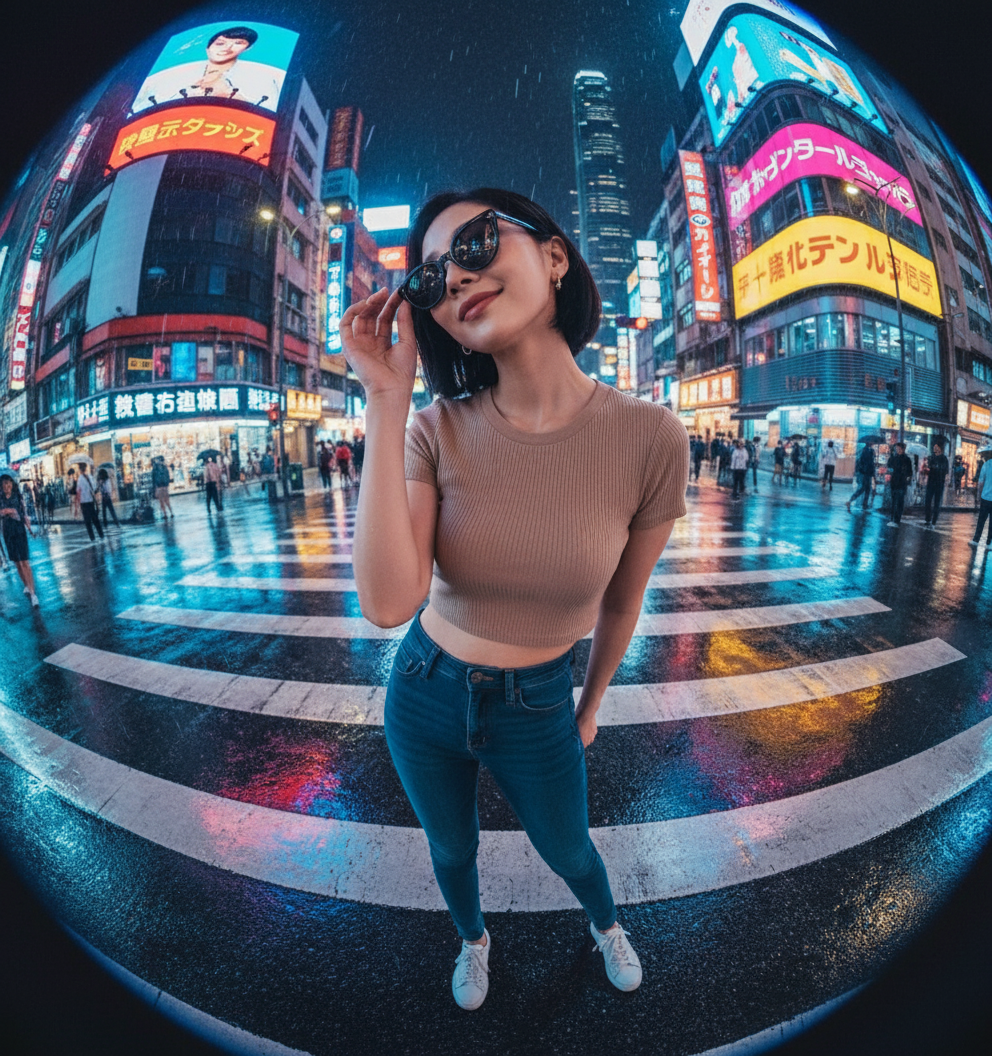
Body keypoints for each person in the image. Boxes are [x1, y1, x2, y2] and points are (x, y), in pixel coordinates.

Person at [341, 188, 688, 1010]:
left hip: (539, 701)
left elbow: (621, 605)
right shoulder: (433, 430)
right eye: (431, 280)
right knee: (450, 848)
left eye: (478, 244)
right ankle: (474, 940)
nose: (455, 281)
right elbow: (390, 603)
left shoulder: (650, 437)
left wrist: (591, 702)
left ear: (555, 257)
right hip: (424, 691)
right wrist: (388, 401)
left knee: (570, 848)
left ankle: (606, 924)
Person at [132, 26, 282, 114]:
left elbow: (270, 113)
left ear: (248, 48)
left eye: (238, 43)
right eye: (220, 43)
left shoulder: (264, 76)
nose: (227, 48)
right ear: (207, 48)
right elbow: (137, 108)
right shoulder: (168, 76)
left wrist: (229, 96)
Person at [0, 474, 39, 606]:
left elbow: (23, 514)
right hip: (8, 532)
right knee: (17, 562)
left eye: (8, 483)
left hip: (19, 531)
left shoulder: (18, 496)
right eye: (4, 483)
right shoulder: (0, 498)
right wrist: (6, 511)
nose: (6, 486)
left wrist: (29, 528)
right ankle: (26, 585)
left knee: (24, 562)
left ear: (12, 483)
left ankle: (33, 594)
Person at [886, 442, 913, 528]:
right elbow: (889, 467)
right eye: (896, 449)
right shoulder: (893, 458)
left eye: (899, 448)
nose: (897, 450)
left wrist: (905, 476)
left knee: (899, 501)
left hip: (902, 482)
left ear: (902, 449)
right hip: (894, 482)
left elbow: (910, 472)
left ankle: (897, 520)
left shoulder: (906, 459)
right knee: (894, 501)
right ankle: (892, 518)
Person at [923, 442, 949, 529]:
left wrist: (935, 468)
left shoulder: (944, 458)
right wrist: (926, 468)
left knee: (937, 503)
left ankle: (934, 521)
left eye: (937, 447)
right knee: (927, 501)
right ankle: (927, 519)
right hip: (931, 482)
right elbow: (928, 469)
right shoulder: (931, 457)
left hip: (939, 483)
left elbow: (945, 470)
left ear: (940, 448)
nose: (935, 449)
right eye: (934, 447)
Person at [76, 463, 105, 541]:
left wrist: (77, 506)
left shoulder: (80, 479)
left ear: (80, 470)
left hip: (84, 502)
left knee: (88, 521)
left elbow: (78, 492)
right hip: (91, 501)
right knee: (95, 519)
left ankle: (92, 537)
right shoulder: (90, 477)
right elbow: (95, 488)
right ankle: (101, 535)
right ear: (85, 468)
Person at [968, 454, 992, 549]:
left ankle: (976, 540)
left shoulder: (986, 464)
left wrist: (978, 496)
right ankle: (989, 542)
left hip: (985, 497)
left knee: (981, 520)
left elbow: (981, 482)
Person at [847, 442, 876, 512]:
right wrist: (873, 473)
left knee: (865, 489)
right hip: (867, 473)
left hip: (863, 473)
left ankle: (863, 504)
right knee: (864, 489)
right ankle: (853, 501)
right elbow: (870, 464)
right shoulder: (869, 451)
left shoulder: (863, 451)